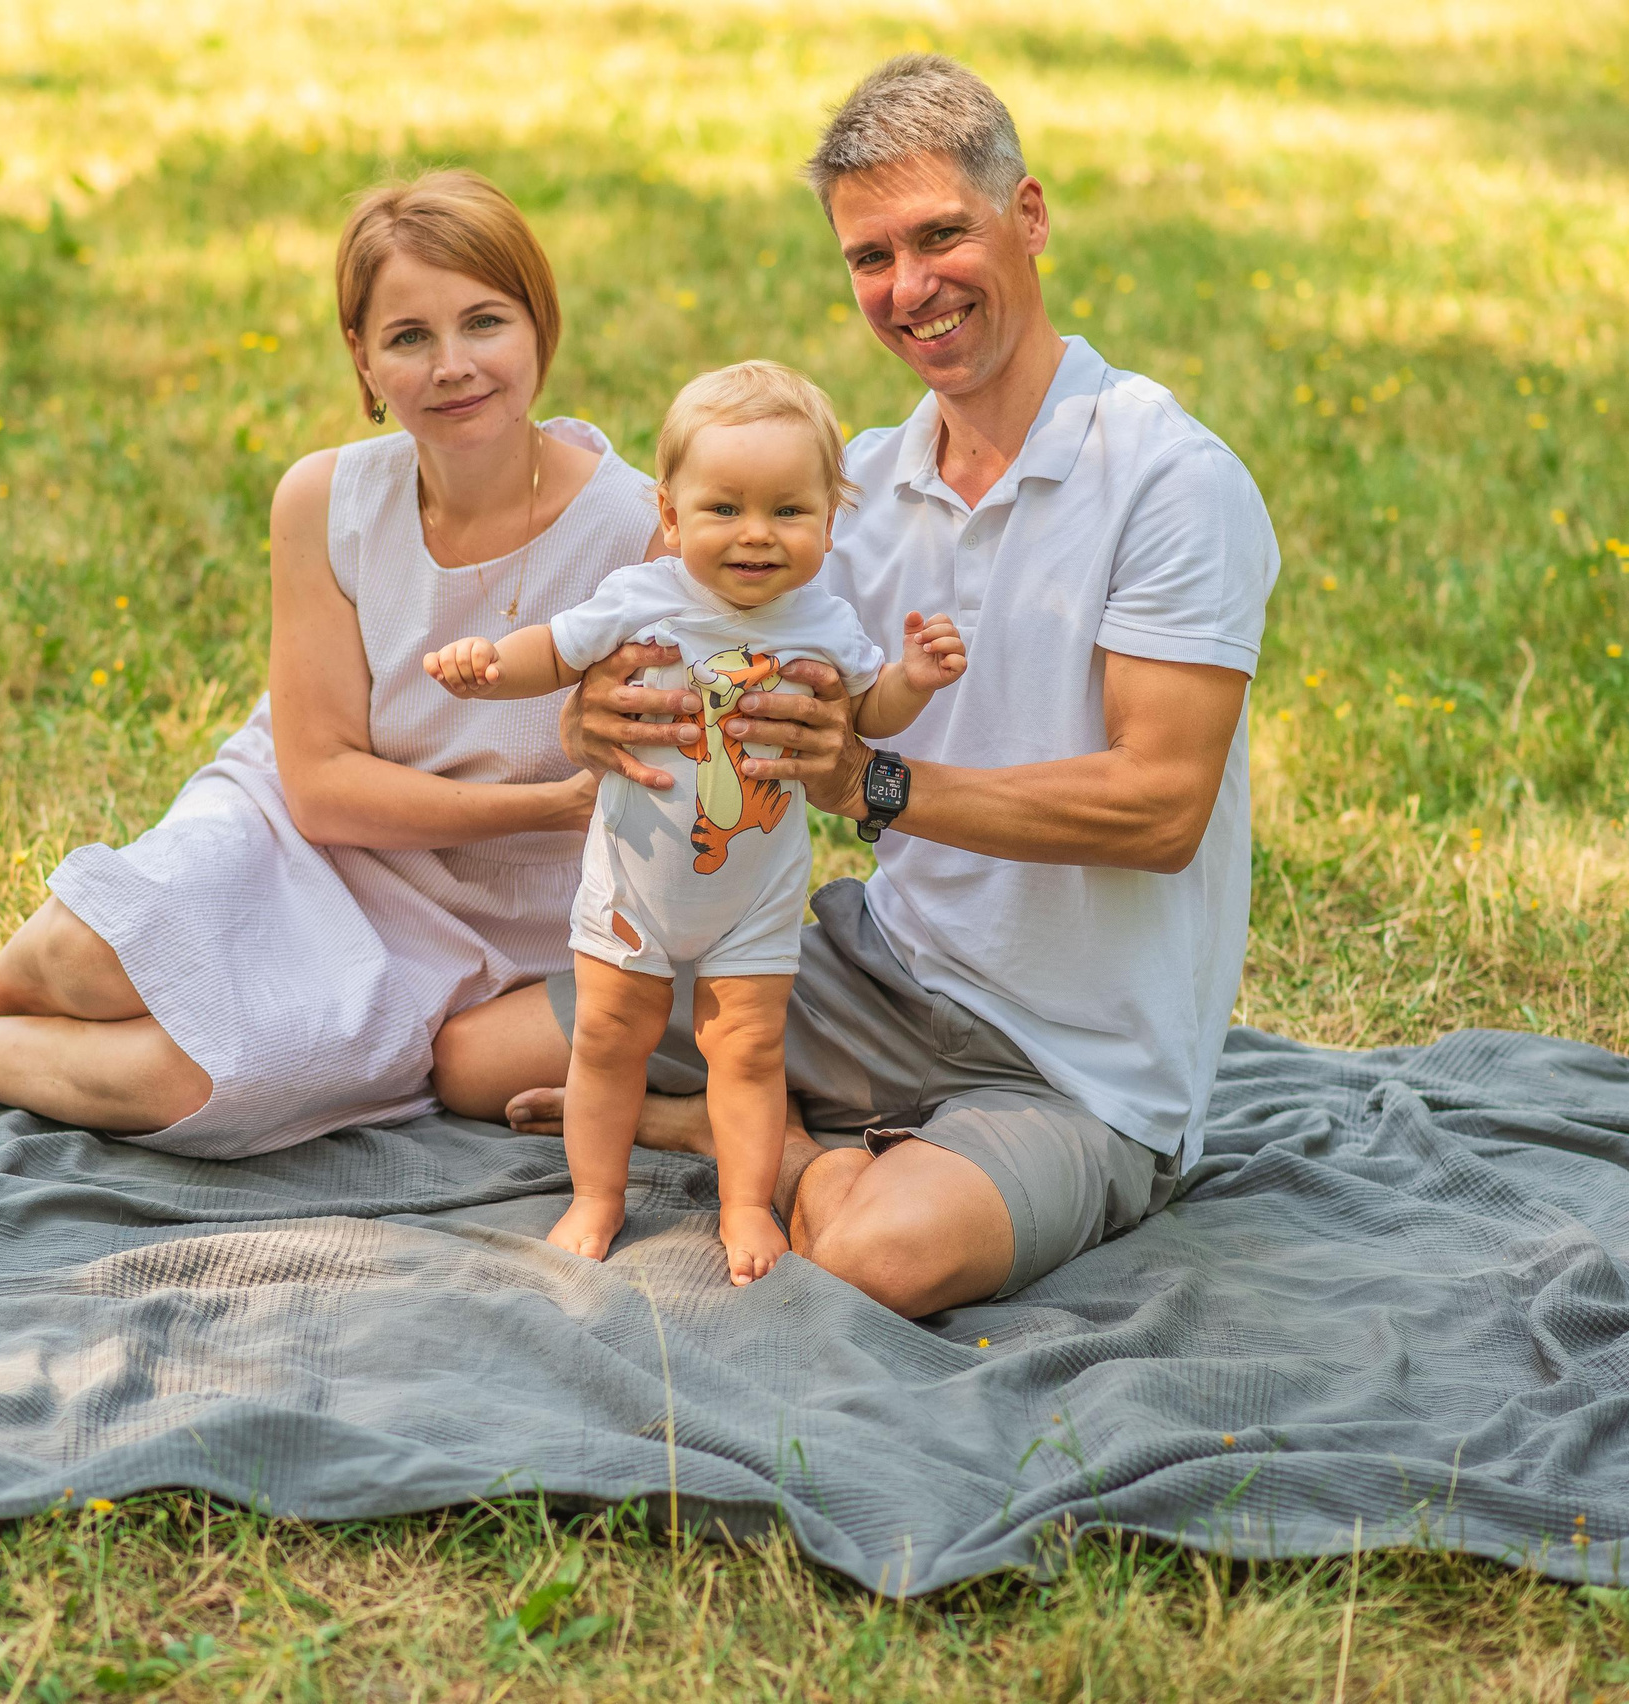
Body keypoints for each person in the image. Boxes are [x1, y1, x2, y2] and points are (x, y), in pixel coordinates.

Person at [433, 54, 1281, 1314]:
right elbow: (664, 629)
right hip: (880, 968)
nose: (910, 289)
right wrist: (591, 710)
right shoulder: (854, 490)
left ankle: (737, 1141)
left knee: (884, 1254)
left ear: (1030, 217)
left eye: (943, 235)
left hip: (1079, 1061)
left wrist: (870, 780)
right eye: (870, 258)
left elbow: (1155, 810)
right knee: (470, 1060)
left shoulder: (1168, 479)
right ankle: (757, 1110)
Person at [0, 169, 662, 1158]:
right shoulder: (324, 499)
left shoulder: (637, 530)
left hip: (484, 914)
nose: (451, 365)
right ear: (361, 358)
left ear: (538, 324)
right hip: (295, 829)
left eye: (484, 323)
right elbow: (322, 791)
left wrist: (554, 822)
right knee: (85, 963)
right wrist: (549, 804)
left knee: (204, 1082)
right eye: (407, 337)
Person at [424, 361, 965, 1283]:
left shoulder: (824, 622)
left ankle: (747, 1203)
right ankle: (596, 1195)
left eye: (788, 512)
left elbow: (868, 718)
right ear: (671, 518)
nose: (755, 535)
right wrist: (487, 665)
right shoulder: (644, 598)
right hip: (634, 883)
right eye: (724, 510)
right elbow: (551, 653)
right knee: (607, 1039)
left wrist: (913, 679)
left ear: (831, 522)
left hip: (752, 899)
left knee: (748, 1053)